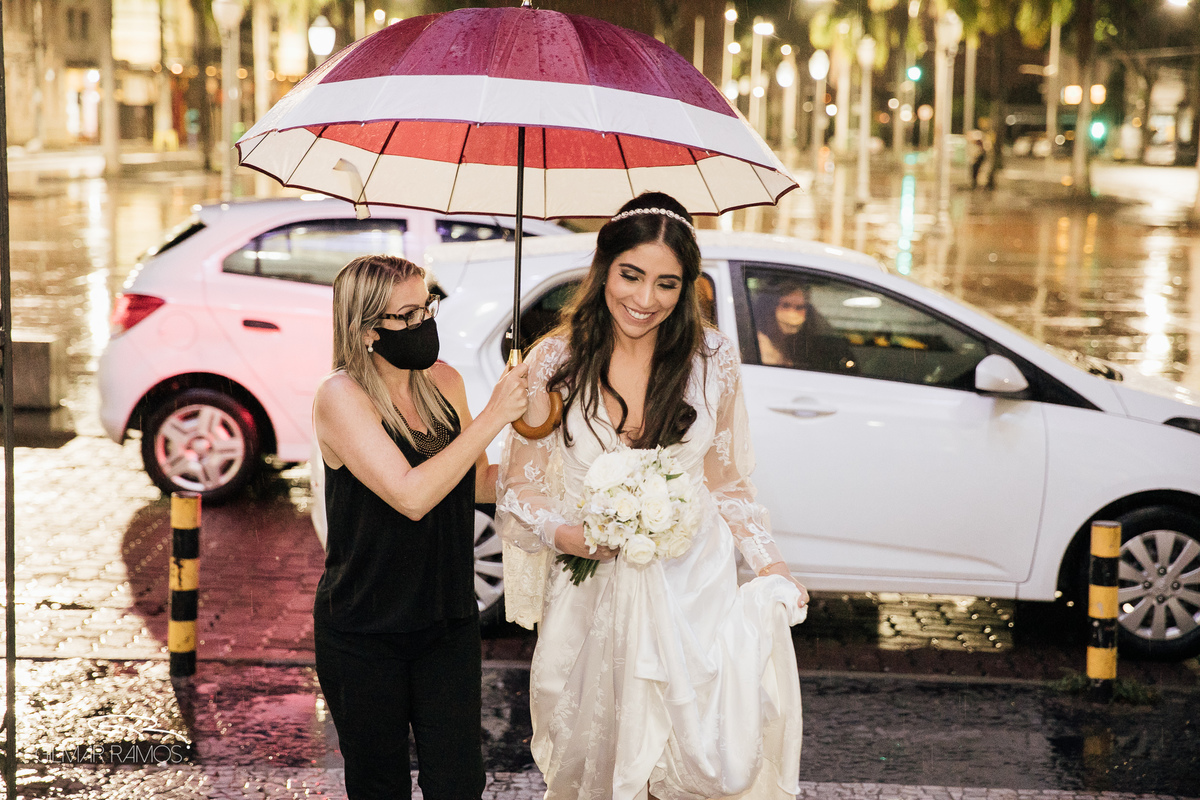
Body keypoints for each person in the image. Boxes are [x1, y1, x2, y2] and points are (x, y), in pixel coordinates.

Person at [496, 192, 809, 800]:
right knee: (597, 754)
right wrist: (567, 535)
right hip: (594, 590)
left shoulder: (712, 358)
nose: (644, 300)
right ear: (603, 269)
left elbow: (726, 482)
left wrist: (771, 564)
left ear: (688, 286)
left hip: (695, 587)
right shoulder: (554, 361)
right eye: (630, 275)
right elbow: (518, 488)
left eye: (667, 283)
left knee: (701, 752)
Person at [312, 254, 529, 800]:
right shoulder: (341, 397)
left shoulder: (444, 381)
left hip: (447, 619)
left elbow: (475, 482)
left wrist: (563, 466)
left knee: (458, 783)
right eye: (406, 317)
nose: (423, 324)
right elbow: (411, 495)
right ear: (365, 332)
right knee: (379, 784)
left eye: (426, 307)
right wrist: (492, 418)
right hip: (365, 628)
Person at [755, 281, 857, 374]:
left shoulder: (803, 345)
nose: (792, 313)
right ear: (771, 308)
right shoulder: (759, 344)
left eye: (799, 307)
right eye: (785, 305)